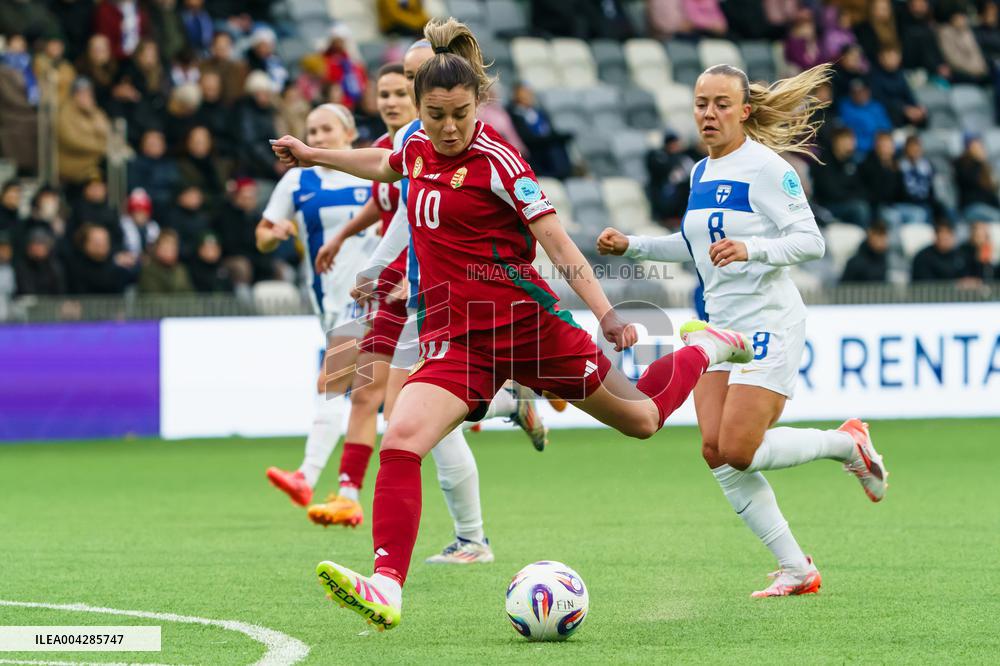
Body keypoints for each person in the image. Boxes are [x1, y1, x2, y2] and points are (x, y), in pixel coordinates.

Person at [272, 18, 754, 628]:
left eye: (461, 114)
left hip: (531, 329)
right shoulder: (416, 147)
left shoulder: (501, 162)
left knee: (643, 420)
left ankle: (706, 348)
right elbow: (382, 164)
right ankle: (388, 584)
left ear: (478, 106)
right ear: (419, 108)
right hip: (460, 340)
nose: (449, 128)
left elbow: (558, 245)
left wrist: (606, 314)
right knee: (403, 439)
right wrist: (314, 155)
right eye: (436, 114)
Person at [597, 63, 888, 599]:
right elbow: (695, 243)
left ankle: (847, 443)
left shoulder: (768, 169)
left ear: (744, 111)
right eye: (701, 102)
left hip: (770, 325)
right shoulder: (700, 172)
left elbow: (811, 242)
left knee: (739, 448)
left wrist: (752, 248)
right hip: (718, 327)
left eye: (721, 104)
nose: (709, 113)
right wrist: (633, 246)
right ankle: (796, 569)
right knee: (714, 449)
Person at [304, 59, 549, 565]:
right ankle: (504, 421)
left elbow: (417, 220)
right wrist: (374, 267)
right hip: (413, 291)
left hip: (438, 295)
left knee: (410, 414)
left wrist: (382, 271)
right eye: (387, 92)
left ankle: (471, 537)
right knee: (406, 412)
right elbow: (399, 215)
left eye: (402, 90)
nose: (394, 100)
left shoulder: (438, 139)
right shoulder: (404, 146)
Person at [954, 136, 1000, 223]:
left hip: (987, 208)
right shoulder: (962, 165)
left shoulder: (985, 170)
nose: (978, 150)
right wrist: (978, 162)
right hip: (971, 207)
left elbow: (991, 195)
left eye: (980, 147)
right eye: (975, 147)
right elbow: (969, 181)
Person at [138, 228, 193, 293]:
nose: (169, 252)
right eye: (165, 247)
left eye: (172, 247)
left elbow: (190, 296)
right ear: (157, 249)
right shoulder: (148, 271)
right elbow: (153, 299)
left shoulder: (181, 270)